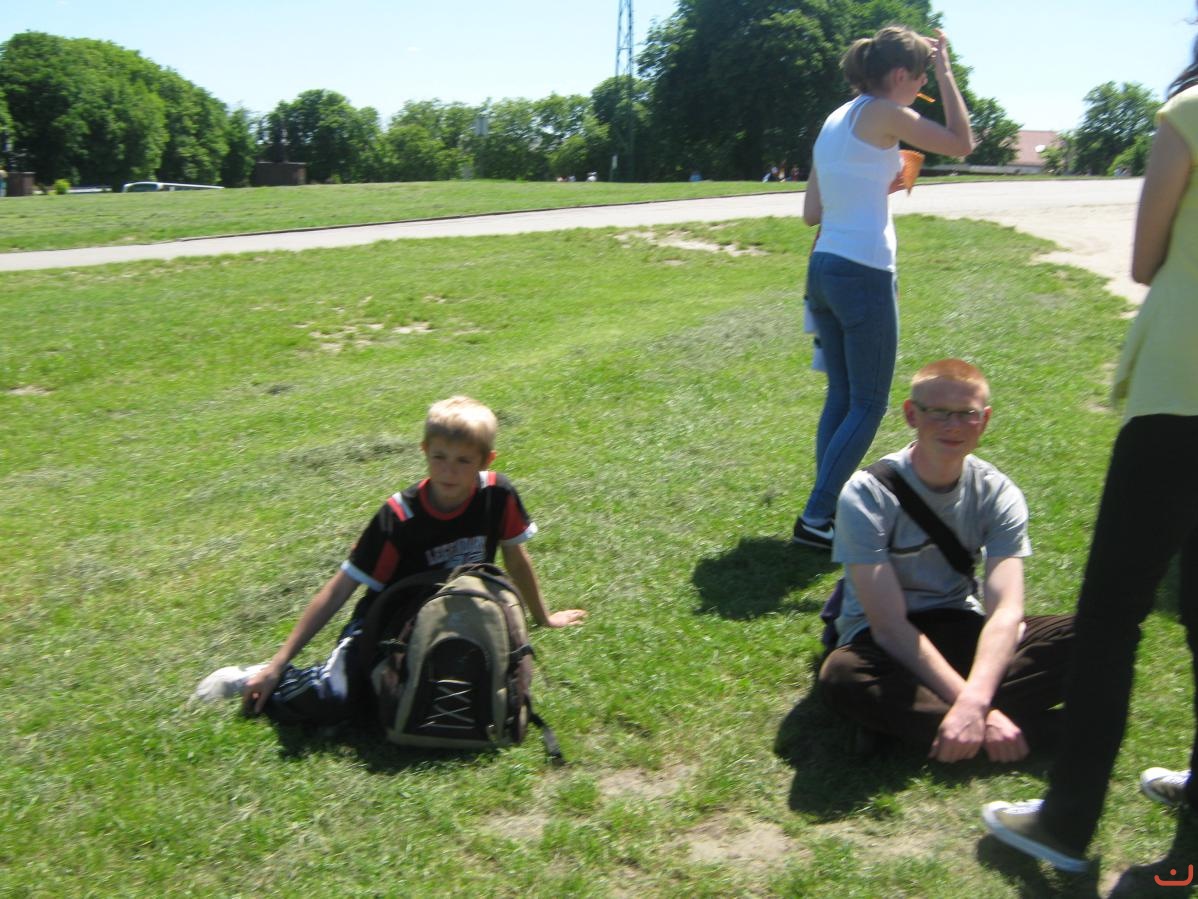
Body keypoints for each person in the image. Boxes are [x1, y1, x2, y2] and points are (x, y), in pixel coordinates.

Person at [983, 22, 1198, 873]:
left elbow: (1146, 259)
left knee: (1111, 618)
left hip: (1181, 396)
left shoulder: (1189, 111)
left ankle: (1065, 822)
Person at [194, 396, 587, 724]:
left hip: (459, 616)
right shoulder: (399, 516)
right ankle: (253, 677)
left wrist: (543, 617)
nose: (448, 470)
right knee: (341, 701)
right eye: (439, 456)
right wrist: (277, 663)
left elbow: (516, 560)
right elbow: (339, 589)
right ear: (424, 451)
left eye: (463, 460)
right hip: (389, 622)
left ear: (486, 460)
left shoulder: (498, 494)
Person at [818, 359, 1074, 762]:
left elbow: (1006, 611)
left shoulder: (997, 492)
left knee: (1090, 636)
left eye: (966, 414)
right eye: (938, 412)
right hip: (883, 643)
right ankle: (1023, 729)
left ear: (984, 420)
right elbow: (889, 626)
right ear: (911, 415)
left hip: (959, 622)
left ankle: (915, 728)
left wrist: (974, 701)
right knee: (843, 676)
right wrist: (981, 707)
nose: (953, 426)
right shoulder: (867, 494)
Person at [792, 26, 974, 550]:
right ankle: (817, 517)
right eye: (920, 80)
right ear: (899, 75)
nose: (922, 89)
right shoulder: (885, 112)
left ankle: (826, 508)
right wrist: (947, 71)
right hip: (863, 270)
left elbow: (811, 212)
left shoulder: (837, 119)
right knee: (869, 402)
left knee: (843, 396)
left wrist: (876, 184)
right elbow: (962, 144)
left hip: (825, 267)